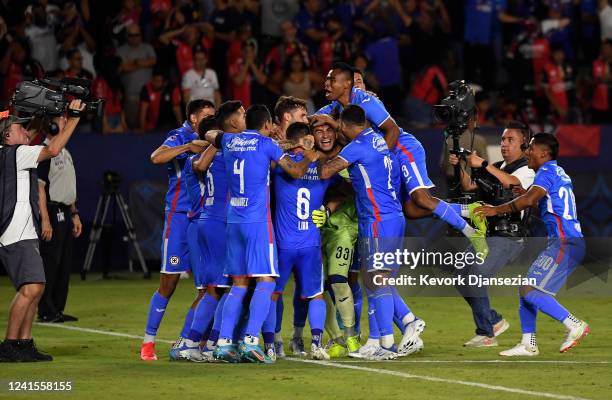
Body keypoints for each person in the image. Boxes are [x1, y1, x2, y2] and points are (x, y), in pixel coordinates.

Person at [205, 102, 317, 363]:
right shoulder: (267, 145)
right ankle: (251, 341)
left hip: (233, 221)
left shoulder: (229, 141)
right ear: (267, 125)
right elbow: (296, 170)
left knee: (239, 283)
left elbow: (211, 135)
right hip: (257, 223)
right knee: (266, 280)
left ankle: (223, 343)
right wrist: (309, 155)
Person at [476, 133, 589, 356]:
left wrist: (495, 210)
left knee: (530, 289)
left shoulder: (545, 172)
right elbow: (544, 203)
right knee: (525, 288)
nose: (528, 152)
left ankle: (574, 324)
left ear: (544, 153)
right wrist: (527, 194)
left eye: (532, 148)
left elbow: (528, 202)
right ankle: (529, 344)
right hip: (566, 241)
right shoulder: (557, 172)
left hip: (565, 242)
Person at [316, 105, 405, 360]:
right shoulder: (377, 138)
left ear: (344, 126)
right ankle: (382, 340)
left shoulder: (357, 147)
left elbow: (325, 171)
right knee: (375, 280)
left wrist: (312, 153)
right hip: (393, 217)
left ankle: (387, 344)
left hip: (378, 219)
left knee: (378, 280)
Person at [0, 99, 84, 362]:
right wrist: (74, 118)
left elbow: (37, 134)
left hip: (22, 230)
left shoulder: (11, 152)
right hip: (16, 231)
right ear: (7, 134)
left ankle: (23, 343)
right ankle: (10, 344)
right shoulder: (15, 153)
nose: (27, 133)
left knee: (35, 287)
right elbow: (54, 147)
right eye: (20, 129)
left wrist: (42, 111)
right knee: (31, 288)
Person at [449, 121, 536, 347]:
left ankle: (486, 333)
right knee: (459, 272)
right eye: (503, 140)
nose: (505, 144)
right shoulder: (498, 166)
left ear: (524, 144)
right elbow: (469, 187)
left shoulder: (527, 169)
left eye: (510, 140)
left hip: (510, 237)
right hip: (489, 235)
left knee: (475, 275)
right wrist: (461, 165)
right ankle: (494, 320)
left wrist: (483, 163)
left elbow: (511, 183)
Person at [140, 99, 215, 361]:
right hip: (179, 219)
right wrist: (187, 146)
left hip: (204, 219)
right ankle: (148, 342)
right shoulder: (179, 135)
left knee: (207, 288)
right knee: (168, 283)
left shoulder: (214, 139)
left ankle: (191, 340)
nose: (210, 119)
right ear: (193, 118)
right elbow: (155, 157)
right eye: (206, 115)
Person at [268, 121, 334, 361]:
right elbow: (343, 187)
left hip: (283, 244)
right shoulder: (321, 168)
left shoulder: (278, 167)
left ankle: (273, 343)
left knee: (273, 294)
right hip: (310, 244)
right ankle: (315, 344)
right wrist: (328, 208)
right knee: (315, 295)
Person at [36, 113, 84, 324]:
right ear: (51, 125)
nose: (66, 122)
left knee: (64, 264)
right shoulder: (45, 152)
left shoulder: (64, 151)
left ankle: (57, 308)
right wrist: (45, 219)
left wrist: (74, 213)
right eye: (62, 119)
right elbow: (40, 188)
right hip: (52, 211)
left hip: (65, 209)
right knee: (50, 262)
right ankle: (46, 309)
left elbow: (69, 187)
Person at [117, 24, 157, 129]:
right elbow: (123, 68)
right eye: (131, 35)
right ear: (127, 36)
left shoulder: (147, 47)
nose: (134, 37)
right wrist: (142, 62)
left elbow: (153, 61)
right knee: (132, 124)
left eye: (137, 35)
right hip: (131, 94)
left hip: (149, 94)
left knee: (148, 125)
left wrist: (133, 63)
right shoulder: (121, 50)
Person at [139, 66, 183, 132]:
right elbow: (143, 110)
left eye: (158, 81)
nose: (155, 83)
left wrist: (181, 128)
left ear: (165, 82)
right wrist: (142, 129)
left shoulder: (173, 89)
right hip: (151, 127)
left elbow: (176, 109)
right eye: (154, 80)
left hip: (169, 127)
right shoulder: (146, 88)